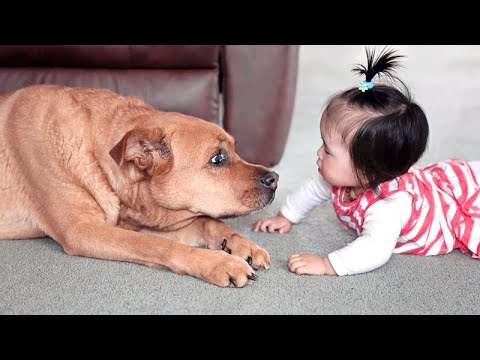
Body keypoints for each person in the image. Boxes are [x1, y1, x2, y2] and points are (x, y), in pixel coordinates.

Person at [252, 46, 480, 277]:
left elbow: (375, 250)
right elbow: (311, 190)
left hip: (439, 211)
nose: (319, 153)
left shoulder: (389, 206)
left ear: (368, 171)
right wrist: (286, 216)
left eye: (328, 151)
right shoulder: (339, 177)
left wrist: (326, 264)